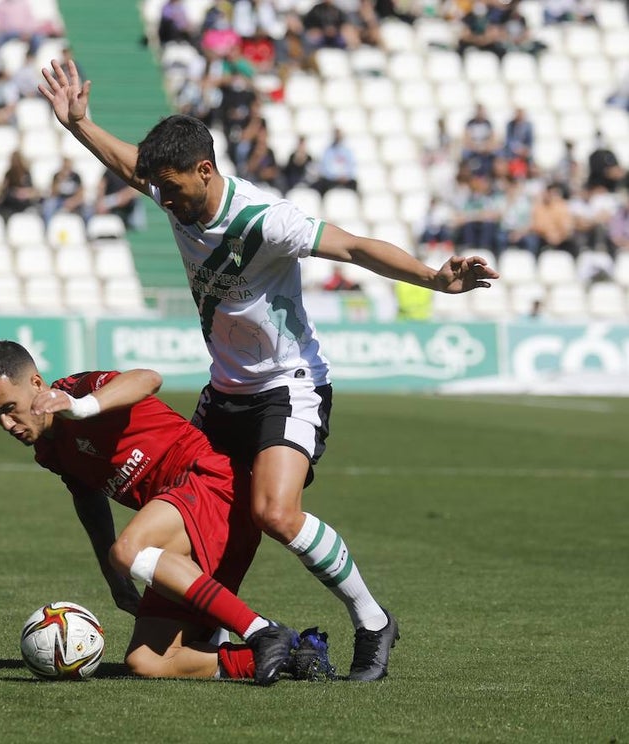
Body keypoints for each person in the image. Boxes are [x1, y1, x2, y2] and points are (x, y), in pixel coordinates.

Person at [39, 60, 500, 681]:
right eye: (161, 190)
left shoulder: (266, 221)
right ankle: (225, 623)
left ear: (206, 170)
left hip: (289, 385)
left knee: (273, 513)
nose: (166, 201)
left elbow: (355, 246)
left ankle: (371, 621)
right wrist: (80, 125)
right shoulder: (177, 196)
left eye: (173, 188)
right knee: (204, 512)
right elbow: (129, 166)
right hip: (224, 393)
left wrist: (431, 278)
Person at [0, 340, 335, 684]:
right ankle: (294, 657)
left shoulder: (79, 391)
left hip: (212, 484)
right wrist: (116, 580)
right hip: (185, 527)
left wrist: (81, 406)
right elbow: (89, 501)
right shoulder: (49, 450)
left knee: (128, 550)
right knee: (147, 661)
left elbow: (148, 379)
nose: (5, 424)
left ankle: (261, 630)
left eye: (8, 409)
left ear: (36, 383)